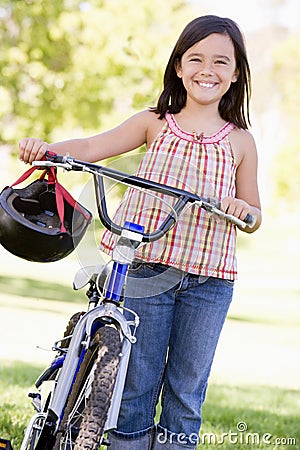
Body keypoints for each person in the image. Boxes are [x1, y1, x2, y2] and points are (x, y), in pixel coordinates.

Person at [19, 15, 261, 450]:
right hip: (146, 270)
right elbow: (93, 147)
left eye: (221, 62)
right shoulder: (156, 122)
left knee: (186, 394)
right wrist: (49, 150)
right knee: (135, 388)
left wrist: (244, 210)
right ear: (179, 68)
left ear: (236, 73)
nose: (208, 70)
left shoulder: (240, 141)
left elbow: (254, 213)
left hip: (209, 281)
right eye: (196, 59)